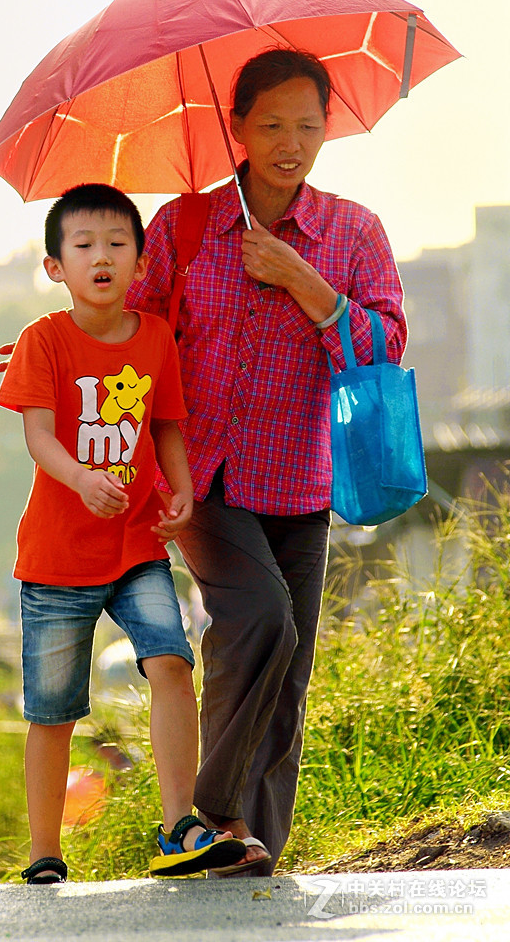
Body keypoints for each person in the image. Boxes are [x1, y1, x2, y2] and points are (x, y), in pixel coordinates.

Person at [127, 48, 408, 875]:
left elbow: (385, 347)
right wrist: (55, 351)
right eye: (274, 125)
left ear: (329, 128)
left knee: (283, 675)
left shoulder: (353, 231)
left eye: (309, 126)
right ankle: (207, 814)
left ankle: (252, 851)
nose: (292, 142)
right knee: (262, 620)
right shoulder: (182, 226)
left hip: (302, 479)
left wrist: (303, 281)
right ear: (238, 128)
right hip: (203, 476)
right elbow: (136, 339)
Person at [0, 183, 245, 883]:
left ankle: (179, 826)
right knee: (54, 709)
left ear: (140, 262)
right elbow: (38, 436)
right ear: (56, 266)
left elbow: (165, 424)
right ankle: (46, 850)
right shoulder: (45, 340)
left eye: (117, 244)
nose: (101, 257)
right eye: (84, 245)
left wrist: (185, 489)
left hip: (136, 545)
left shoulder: (155, 337)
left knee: (172, 660)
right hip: (55, 557)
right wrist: (81, 478)